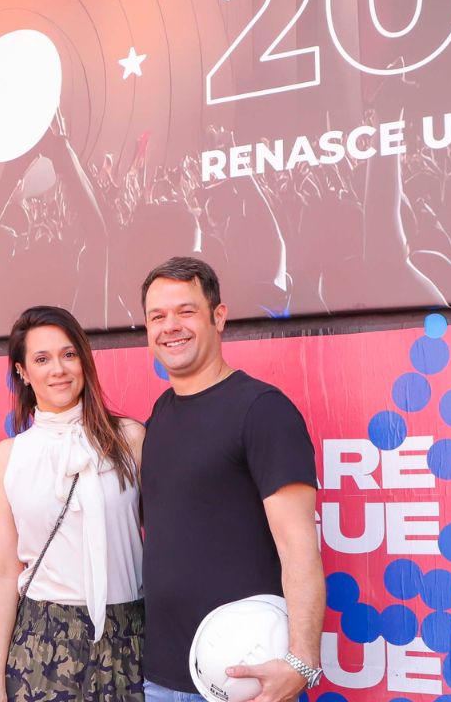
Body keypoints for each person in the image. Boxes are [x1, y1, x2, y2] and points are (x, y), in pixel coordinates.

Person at [138, 257, 325, 702]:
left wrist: (302, 663)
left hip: (245, 679)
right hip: (162, 678)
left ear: (218, 317)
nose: (171, 327)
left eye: (186, 311)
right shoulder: (160, 415)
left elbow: (299, 546)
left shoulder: (262, 410)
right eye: (157, 316)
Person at [0, 306, 145, 701]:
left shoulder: (130, 439)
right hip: (43, 642)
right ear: (22, 372)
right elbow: (2, 573)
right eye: (42, 358)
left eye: (69, 354)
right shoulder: (7, 457)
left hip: (130, 636)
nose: (59, 369)